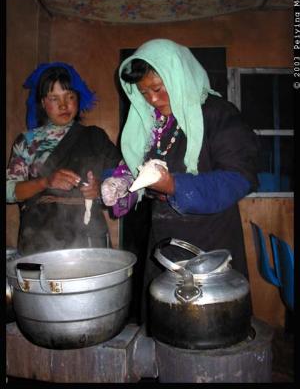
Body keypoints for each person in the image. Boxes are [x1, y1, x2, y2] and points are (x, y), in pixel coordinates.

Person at [101, 39, 259, 326]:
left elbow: (239, 178)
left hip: (212, 246)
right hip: (164, 243)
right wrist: (123, 187)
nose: (152, 100)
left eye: (158, 88)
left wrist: (175, 186)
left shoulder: (217, 114)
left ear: (179, 77)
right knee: (168, 325)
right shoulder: (151, 124)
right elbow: (136, 168)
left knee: (209, 327)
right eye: (143, 92)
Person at [6, 62, 121, 255]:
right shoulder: (27, 141)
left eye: (70, 96)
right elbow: (9, 191)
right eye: (54, 98)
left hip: (89, 238)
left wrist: (101, 188)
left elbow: (123, 180)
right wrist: (45, 182)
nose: (63, 105)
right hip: (39, 238)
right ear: (43, 103)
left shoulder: (95, 137)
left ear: (78, 99)